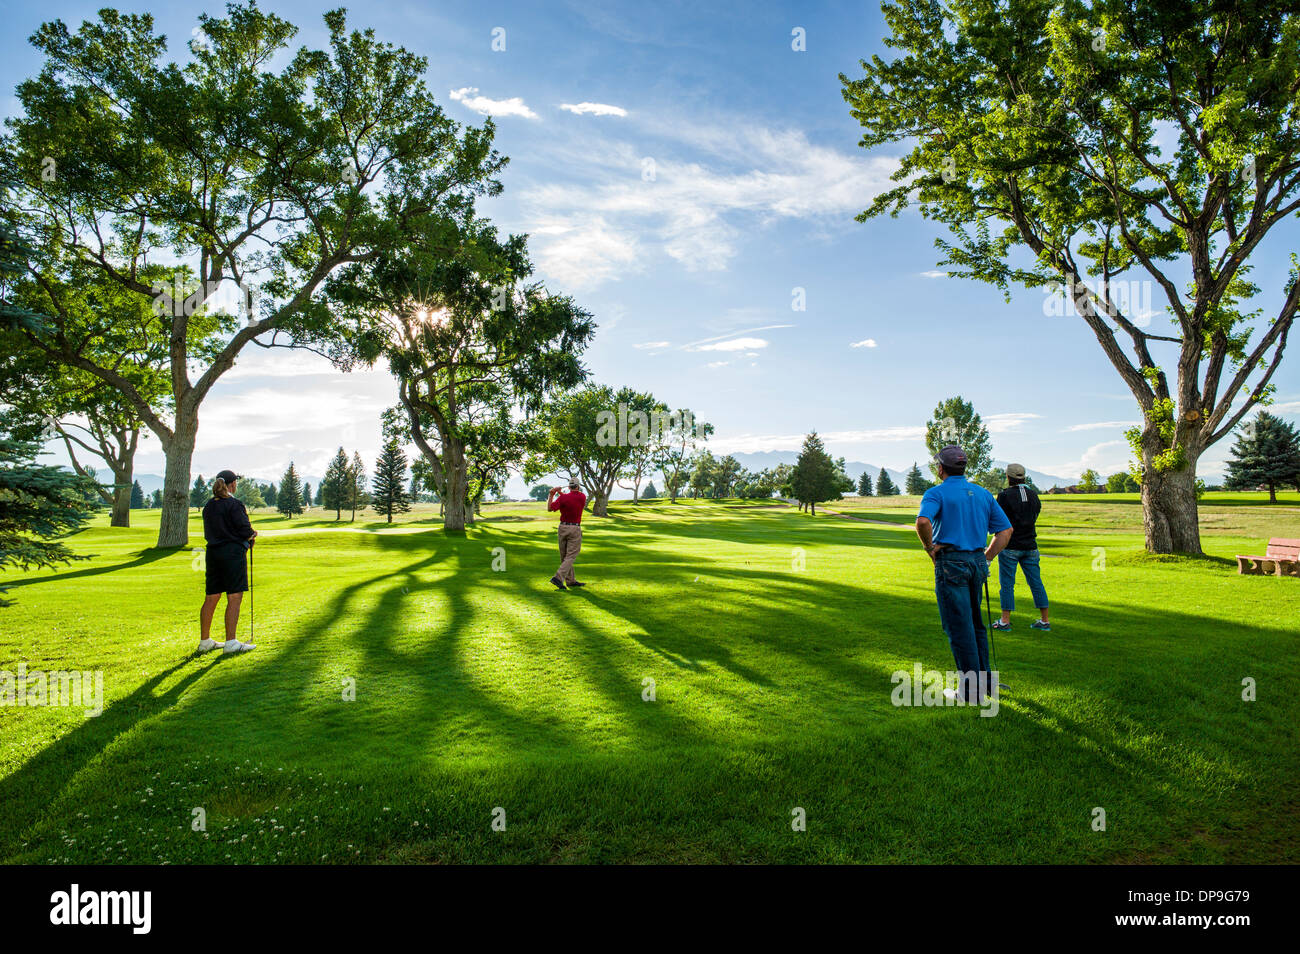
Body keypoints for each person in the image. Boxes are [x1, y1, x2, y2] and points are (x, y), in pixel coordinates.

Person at [915, 445, 1013, 702]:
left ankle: (969, 692)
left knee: (959, 627)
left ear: (940, 468)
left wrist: (929, 548)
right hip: (976, 563)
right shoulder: (982, 493)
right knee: (976, 624)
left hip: (951, 564)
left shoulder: (936, 493)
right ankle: (986, 683)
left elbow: (922, 522)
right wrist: (986, 557)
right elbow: (1005, 532)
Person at [197, 470, 258, 654]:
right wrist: (252, 535)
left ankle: (205, 641)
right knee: (234, 596)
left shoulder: (209, 505)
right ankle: (231, 642)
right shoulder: (234, 504)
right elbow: (244, 529)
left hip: (213, 554)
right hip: (232, 554)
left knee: (212, 596)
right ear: (232, 485)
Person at [994, 463, 1050, 632]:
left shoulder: (1004, 496)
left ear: (1008, 477)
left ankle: (1005, 621)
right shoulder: (1034, 495)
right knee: (1036, 583)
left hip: (1010, 545)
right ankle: (1044, 620)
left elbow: (999, 519)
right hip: (1031, 545)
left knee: (1007, 584)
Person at [547, 479, 587, 590]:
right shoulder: (582, 497)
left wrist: (552, 494)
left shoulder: (563, 498)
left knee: (564, 556)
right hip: (574, 528)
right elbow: (571, 498)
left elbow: (550, 508)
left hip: (562, 527)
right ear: (578, 487)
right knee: (571, 555)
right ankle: (558, 578)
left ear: (569, 487)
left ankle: (570, 581)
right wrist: (559, 493)